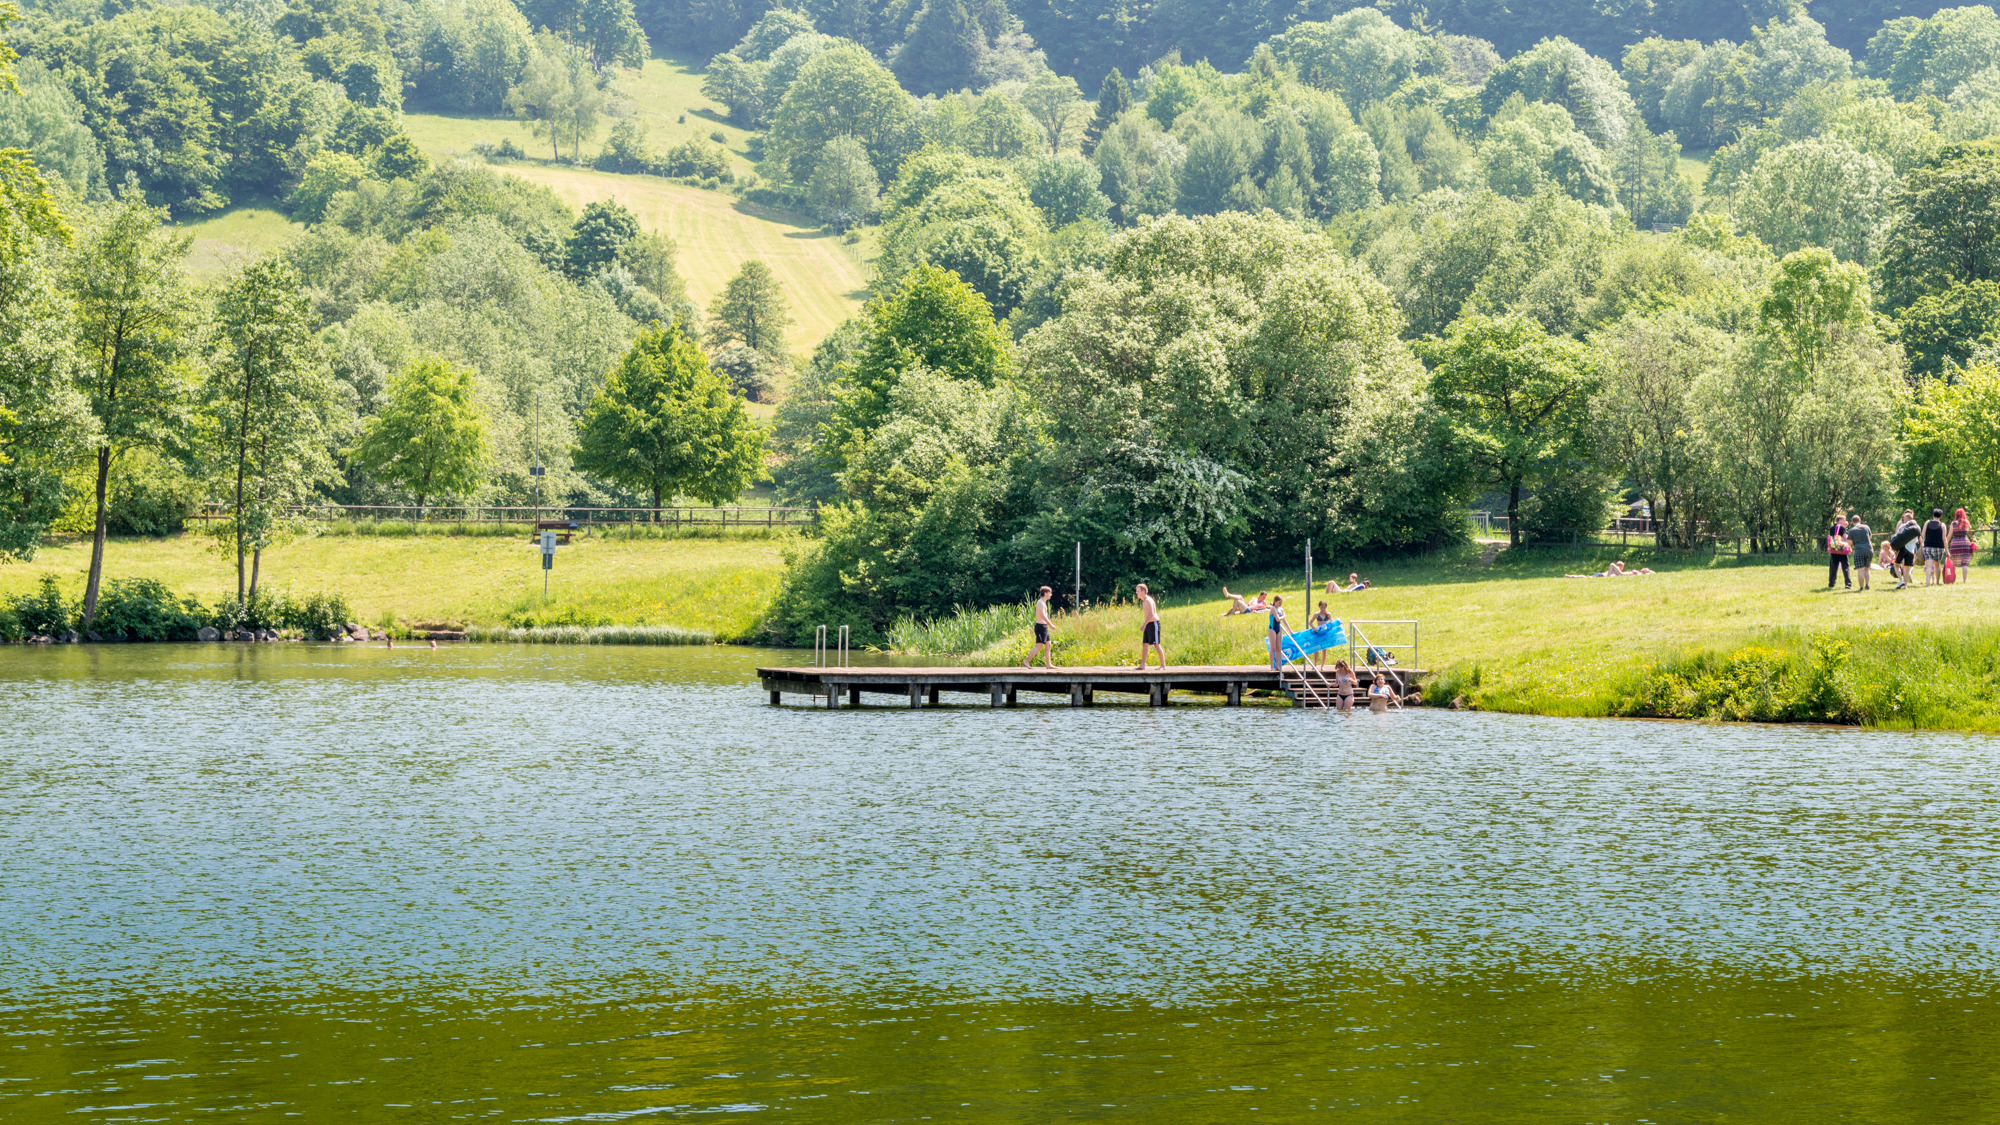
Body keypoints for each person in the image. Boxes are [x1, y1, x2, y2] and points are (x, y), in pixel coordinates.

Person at [1024, 585, 1056, 668]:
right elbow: (1042, 616)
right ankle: (1026, 661)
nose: (1051, 594)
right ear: (1045, 593)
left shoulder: (1043, 602)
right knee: (1039, 645)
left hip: (1043, 627)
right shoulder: (1040, 602)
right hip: (1040, 627)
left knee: (1048, 645)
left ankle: (1048, 665)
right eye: (1050, 593)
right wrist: (1051, 624)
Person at [1136, 583, 1165, 669]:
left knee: (1156, 644)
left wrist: (1144, 624)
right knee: (1145, 644)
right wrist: (1146, 624)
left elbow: (1151, 614)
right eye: (1136, 591)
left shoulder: (1148, 600)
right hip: (1148, 624)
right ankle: (1142, 665)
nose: (1136, 592)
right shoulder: (1144, 600)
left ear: (1143, 591)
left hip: (1153, 624)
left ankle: (1163, 665)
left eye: (1138, 591)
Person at [1890, 510, 1920, 589]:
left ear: (1906, 518)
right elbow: (1917, 540)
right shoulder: (1916, 528)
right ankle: (1905, 585)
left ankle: (1901, 580)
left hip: (1902, 548)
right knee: (1907, 568)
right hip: (1911, 550)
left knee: (1896, 565)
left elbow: (1898, 536)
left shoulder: (1902, 526)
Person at [1950, 508, 1977, 584]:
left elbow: (1949, 535)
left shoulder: (1953, 523)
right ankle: (1964, 580)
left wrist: (1945, 543)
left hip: (1955, 544)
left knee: (1953, 562)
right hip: (1965, 543)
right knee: (1964, 563)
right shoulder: (1966, 523)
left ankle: (1952, 579)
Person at [1826, 510, 1851, 590]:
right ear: (1840, 520)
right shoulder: (1842, 527)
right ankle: (1848, 584)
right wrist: (1846, 529)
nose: (1845, 521)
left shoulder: (1832, 527)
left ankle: (1831, 583)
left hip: (1834, 550)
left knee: (1833, 567)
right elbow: (1845, 537)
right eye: (1844, 520)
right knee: (1845, 567)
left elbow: (1832, 537)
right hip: (1842, 549)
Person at [1923, 507, 1948, 585]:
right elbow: (1944, 539)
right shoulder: (1942, 525)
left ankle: (1927, 583)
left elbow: (1923, 534)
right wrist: (1947, 550)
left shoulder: (1927, 523)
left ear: (1933, 515)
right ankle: (1937, 582)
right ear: (1940, 516)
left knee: (1929, 566)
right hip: (1938, 547)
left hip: (1927, 547)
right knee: (1937, 565)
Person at [1847, 514, 1873, 591]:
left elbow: (1849, 543)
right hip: (1869, 549)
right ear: (1860, 521)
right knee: (1867, 568)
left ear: (1852, 522)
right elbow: (1870, 537)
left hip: (1859, 551)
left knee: (1860, 569)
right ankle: (1867, 584)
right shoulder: (1866, 527)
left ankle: (1861, 587)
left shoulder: (1851, 530)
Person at [1308, 599, 1334, 669]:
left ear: (1326, 607)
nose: (1322, 609)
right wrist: (1314, 628)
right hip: (1318, 633)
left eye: (1324, 607)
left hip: (1325, 634)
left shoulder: (1328, 614)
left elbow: (1332, 622)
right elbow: (1310, 622)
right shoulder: (1316, 614)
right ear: (1319, 607)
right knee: (1316, 649)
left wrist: (1338, 624)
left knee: (1324, 650)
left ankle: (1322, 666)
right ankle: (1315, 665)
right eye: (1321, 607)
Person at [1265, 594, 1288, 671]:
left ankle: (1277, 666)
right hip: (1272, 629)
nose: (1280, 604)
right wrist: (1284, 616)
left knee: (1279, 648)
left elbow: (1285, 621)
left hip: (1278, 629)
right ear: (1275, 602)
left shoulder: (1281, 610)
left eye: (1281, 602)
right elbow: (1278, 619)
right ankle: (1272, 666)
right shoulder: (1273, 608)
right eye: (1279, 602)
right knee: (1273, 648)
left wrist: (1290, 630)